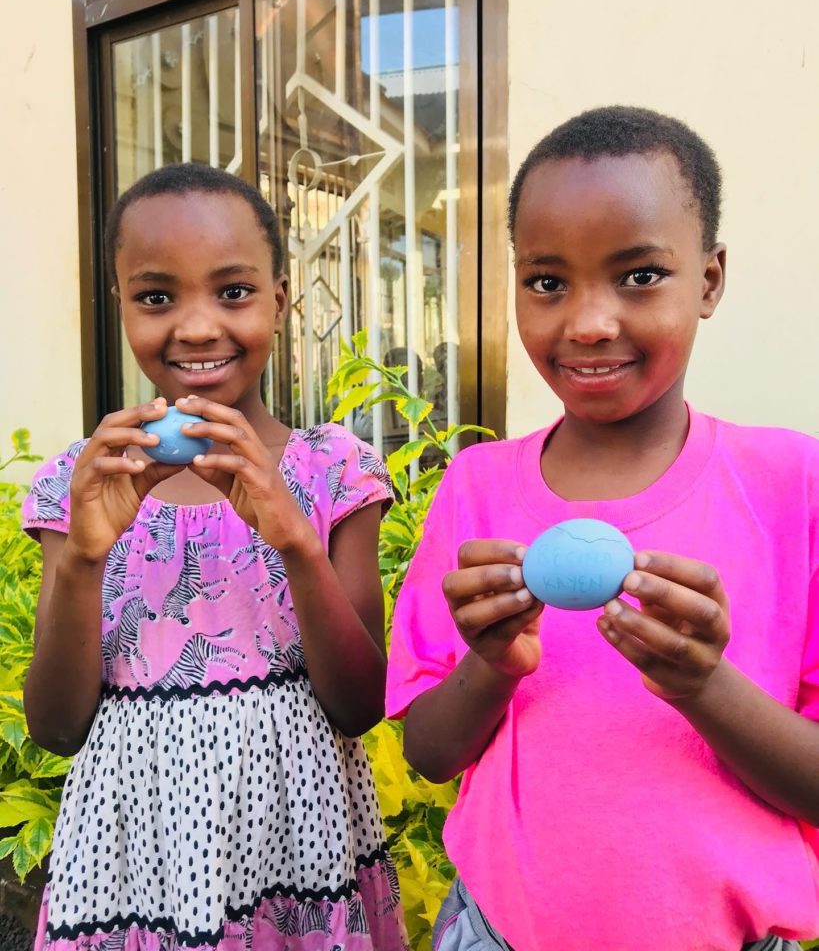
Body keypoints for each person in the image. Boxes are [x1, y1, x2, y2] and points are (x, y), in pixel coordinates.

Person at [385, 107, 819, 951]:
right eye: (547, 282)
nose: (587, 322)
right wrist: (492, 663)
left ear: (708, 278)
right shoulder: (476, 487)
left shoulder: (791, 487)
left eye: (638, 276)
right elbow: (432, 753)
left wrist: (704, 684)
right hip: (495, 933)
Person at [22, 163, 408, 951]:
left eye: (232, 291)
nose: (196, 327)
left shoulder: (334, 471)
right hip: (134, 864)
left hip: (299, 851)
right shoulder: (82, 482)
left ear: (281, 299)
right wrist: (85, 560)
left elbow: (358, 704)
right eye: (157, 297)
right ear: (120, 307)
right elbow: (57, 727)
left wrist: (295, 538)